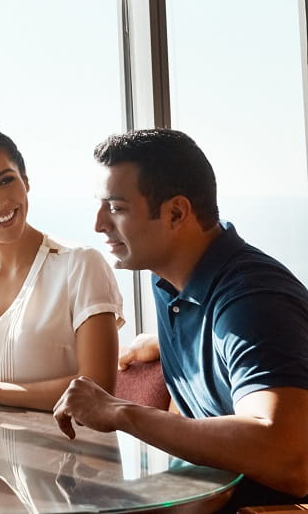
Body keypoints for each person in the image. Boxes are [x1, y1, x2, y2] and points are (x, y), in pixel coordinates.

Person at [53, 129, 308, 508]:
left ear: (175, 213)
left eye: (117, 208)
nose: (98, 224)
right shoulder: (171, 282)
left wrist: (119, 410)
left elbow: (290, 460)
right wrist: (160, 341)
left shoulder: (253, 300)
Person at [0, 108, 122, 411]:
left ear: (25, 180)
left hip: (68, 456)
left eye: (6, 181)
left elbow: (97, 388)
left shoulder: (80, 265)